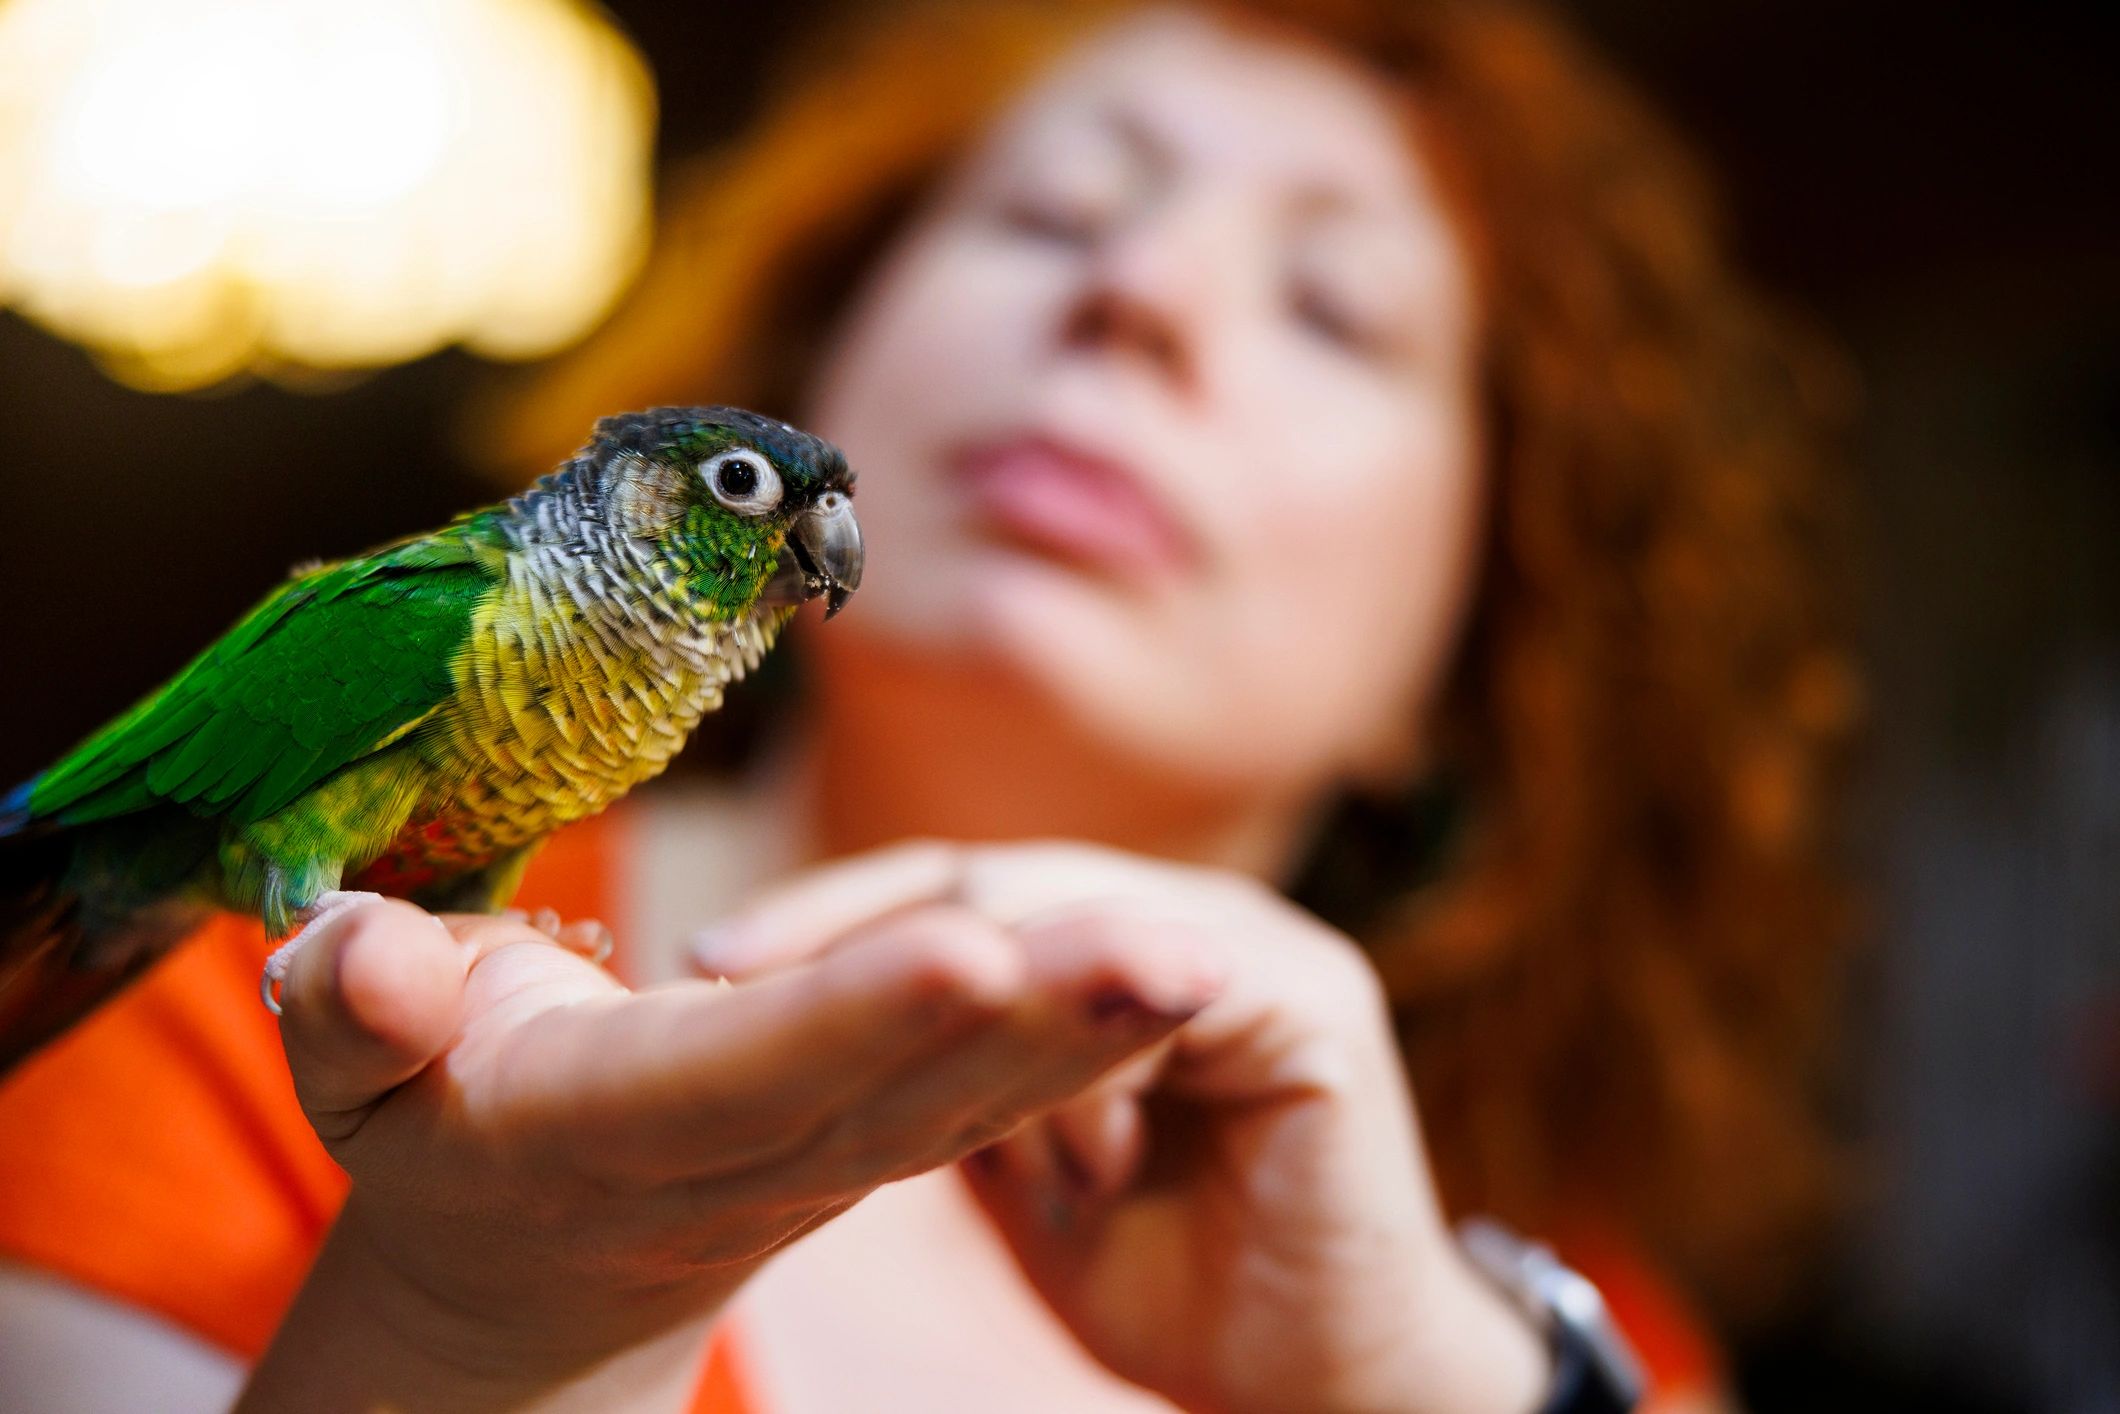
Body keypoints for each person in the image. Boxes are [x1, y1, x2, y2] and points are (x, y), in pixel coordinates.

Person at [0, 1, 1854, 1410]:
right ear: (821, 362)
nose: (1136, 294)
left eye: (1334, 310)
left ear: (1475, 665)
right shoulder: (242, 1024)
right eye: (1053, 213)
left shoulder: (1558, 1327)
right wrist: (480, 1319)